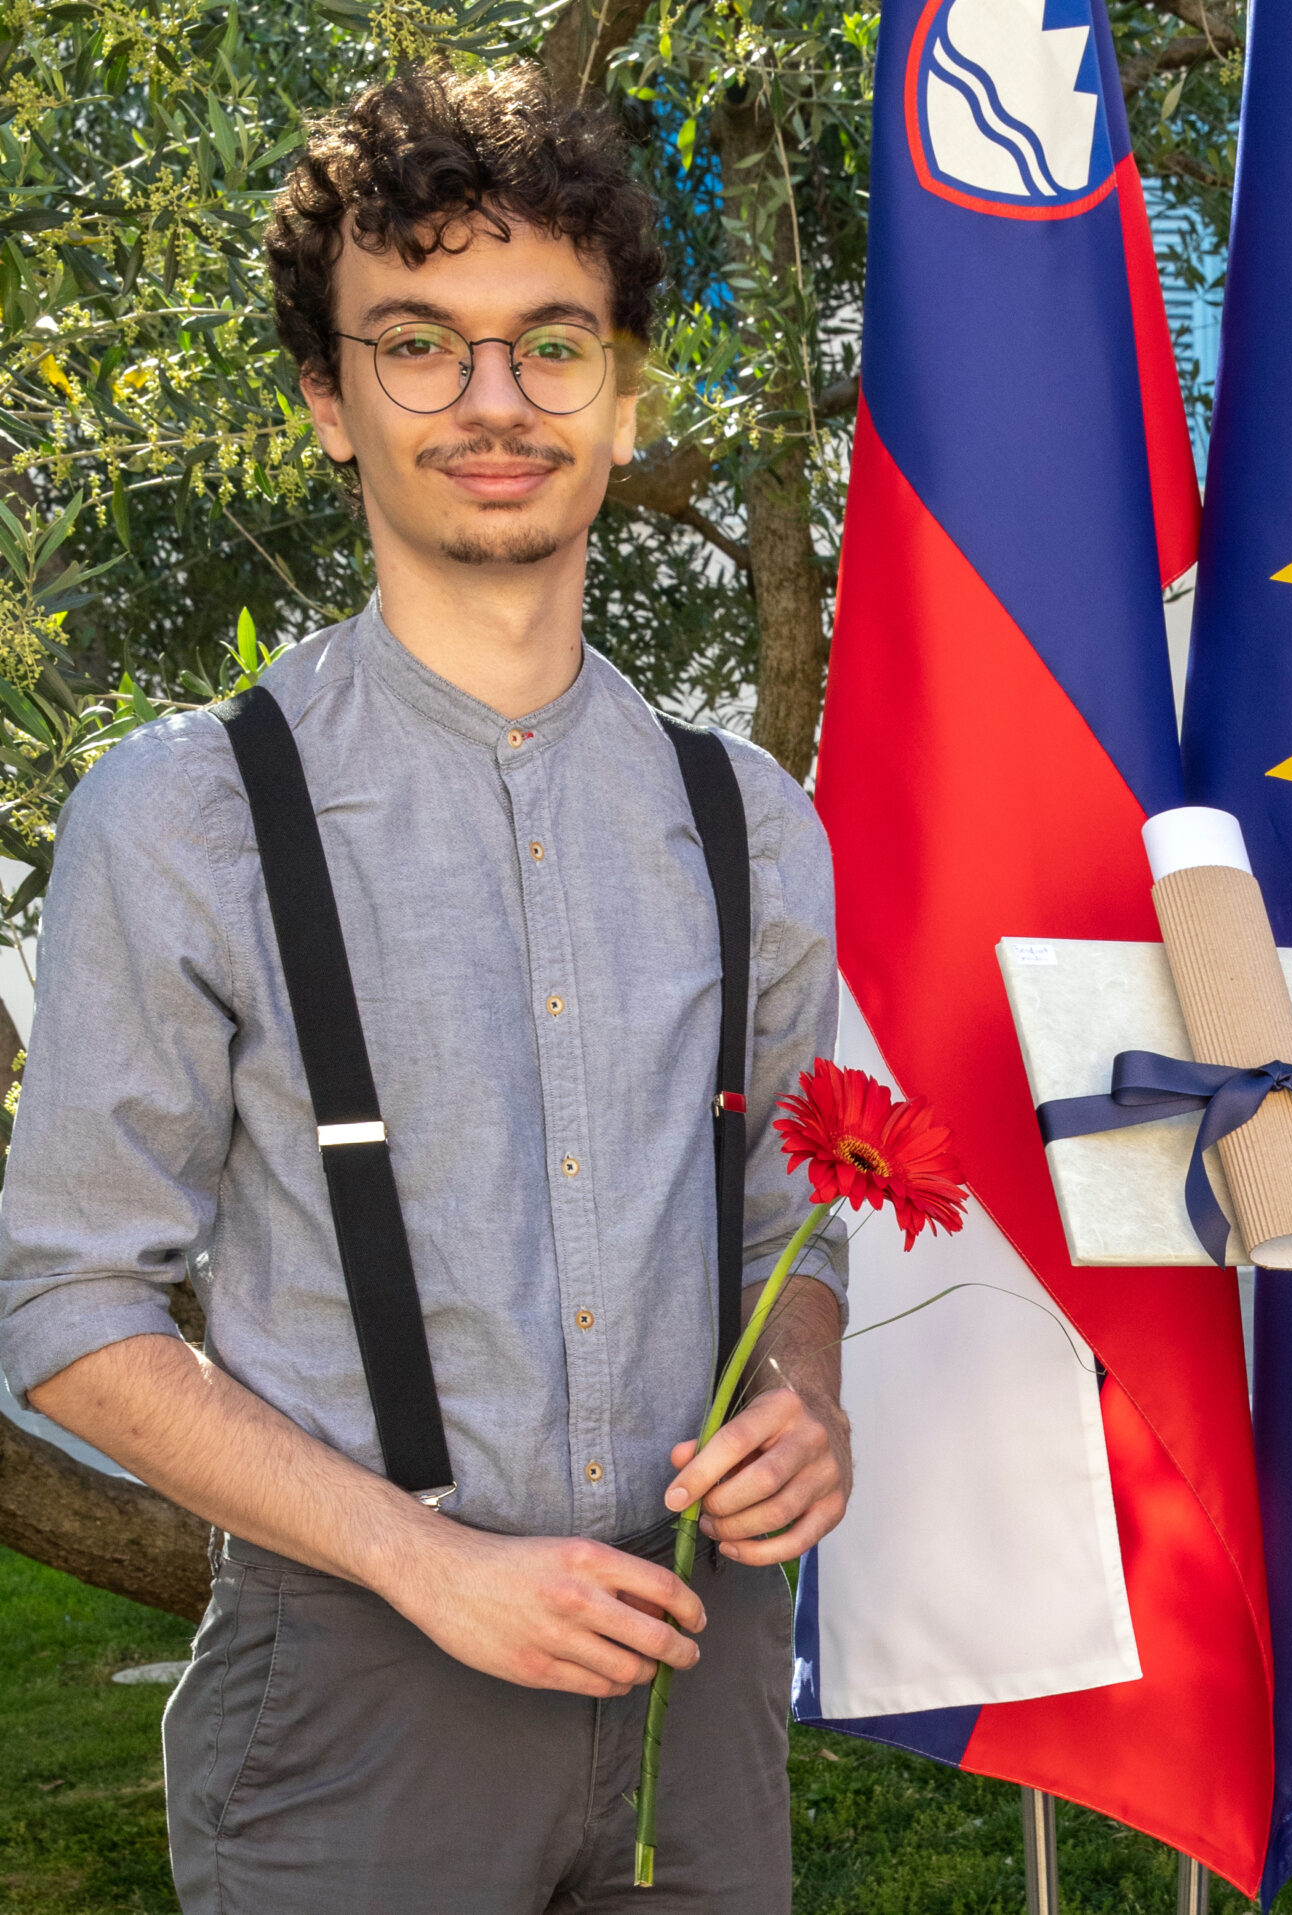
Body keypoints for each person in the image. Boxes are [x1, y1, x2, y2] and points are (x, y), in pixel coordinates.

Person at [0, 67, 849, 1913]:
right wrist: (422, 1561)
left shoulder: (749, 819)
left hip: (694, 1680)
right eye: (417, 345)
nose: (493, 401)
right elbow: (66, 1304)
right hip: (357, 1697)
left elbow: (793, 1205)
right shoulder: (186, 811)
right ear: (328, 397)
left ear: (623, 391)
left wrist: (806, 1390)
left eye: (552, 344)